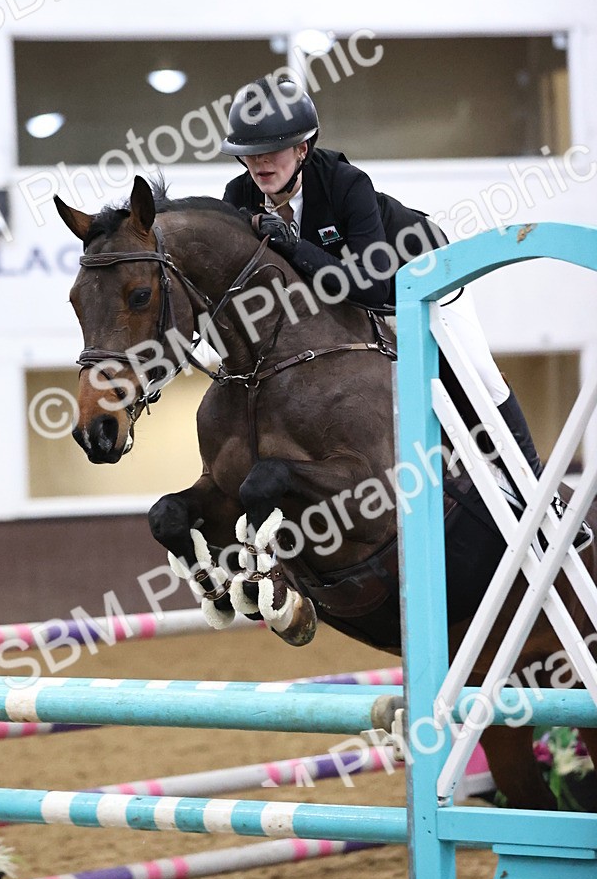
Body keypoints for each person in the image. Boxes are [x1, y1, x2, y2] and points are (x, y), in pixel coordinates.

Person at [221, 74, 591, 551]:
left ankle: (542, 497)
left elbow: (371, 285)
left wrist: (296, 245)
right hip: (344, 303)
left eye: (273, 149)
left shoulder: (347, 184)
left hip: (421, 275)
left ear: (304, 149)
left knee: (477, 375)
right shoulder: (239, 199)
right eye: (250, 151)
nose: (259, 162)